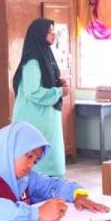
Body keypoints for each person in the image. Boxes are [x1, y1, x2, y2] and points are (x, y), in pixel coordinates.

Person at [12, 18, 69, 178]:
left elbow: (47, 79)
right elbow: (32, 91)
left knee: (50, 157)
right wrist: (58, 92)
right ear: (39, 35)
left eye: (53, 31)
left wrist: (58, 82)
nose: (53, 35)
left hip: (45, 119)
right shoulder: (32, 61)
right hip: (34, 119)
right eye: (49, 32)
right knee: (39, 161)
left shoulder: (45, 55)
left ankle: (51, 188)